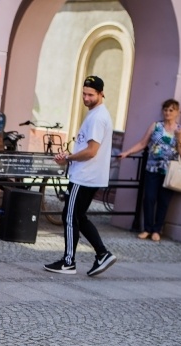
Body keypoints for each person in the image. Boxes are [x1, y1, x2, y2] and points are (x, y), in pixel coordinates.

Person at [46, 75, 116, 277]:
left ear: (101, 94)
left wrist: (69, 158)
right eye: (84, 94)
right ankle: (102, 254)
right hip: (90, 176)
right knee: (79, 216)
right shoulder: (97, 114)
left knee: (69, 216)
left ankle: (68, 262)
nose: (86, 98)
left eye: (90, 95)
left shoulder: (97, 118)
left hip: (84, 176)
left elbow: (92, 151)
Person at [119, 98, 181, 242]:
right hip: (152, 168)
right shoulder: (156, 126)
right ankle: (147, 229)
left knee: (164, 201)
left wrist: (179, 139)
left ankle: (157, 230)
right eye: (165, 110)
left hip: (169, 172)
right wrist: (128, 152)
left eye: (171, 110)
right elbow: (142, 143)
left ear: (177, 112)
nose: (167, 113)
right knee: (149, 198)